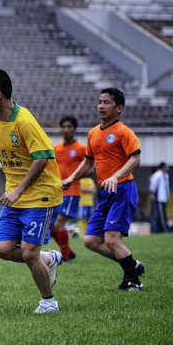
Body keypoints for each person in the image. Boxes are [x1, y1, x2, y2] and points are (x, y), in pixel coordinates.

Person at [0, 68, 63, 314]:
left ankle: (49, 301)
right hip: (15, 195)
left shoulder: (25, 121)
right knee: (2, 249)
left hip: (40, 195)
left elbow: (43, 158)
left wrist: (18, 190)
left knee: (28, 253)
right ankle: (49, 259)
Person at [61, 87, 145, 291]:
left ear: (119, 108)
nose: (101, 106)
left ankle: (134, 281)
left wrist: (116, 176)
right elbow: (88, 163)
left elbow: (135, 159)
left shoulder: (123, 132)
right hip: (105, 193)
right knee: (90, 240)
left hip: (123, 189)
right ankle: (132, 265)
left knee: (111, 239)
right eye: (100, 102)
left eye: (107, 102)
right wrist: (71, 178)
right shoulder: (93, 133)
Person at [51, 116, 86, 261]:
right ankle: (69, 252)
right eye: (64, 126)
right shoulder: (56, 148)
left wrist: (73, 179)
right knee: (52, 225)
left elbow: (89, 167)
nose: (66, 129)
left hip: (72, 192)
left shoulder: (81, 148)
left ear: (75, 129)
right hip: (56, 191)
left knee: (59, 223)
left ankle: (65, 255)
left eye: (69, 126)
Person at [149, 162, 170, 233]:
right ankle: (161, 230)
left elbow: (166, 188)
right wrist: (152, 193)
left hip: (164, 198)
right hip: (158, 198)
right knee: (157, 215)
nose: (168, 168)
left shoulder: (166, 176)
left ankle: (162, 229)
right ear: (163, 167)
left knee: (163, 215)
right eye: (167, 166)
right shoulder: (157, 175)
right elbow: (153, 185)